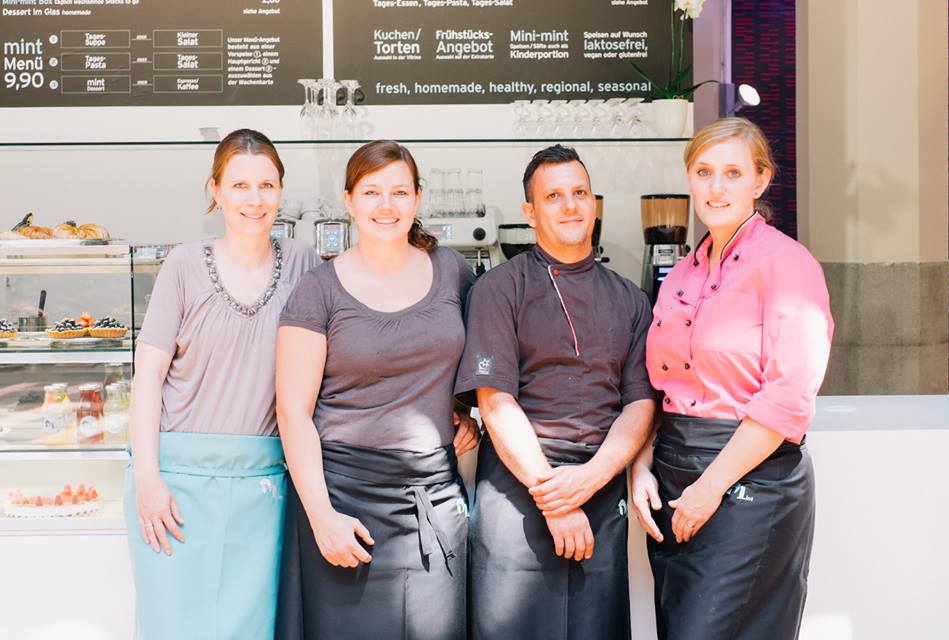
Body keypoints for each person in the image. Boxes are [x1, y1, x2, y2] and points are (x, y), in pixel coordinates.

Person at [632, 117, 834, 640]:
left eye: (731, 173)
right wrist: (642, 467)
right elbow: (661, 385)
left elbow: (789, 398)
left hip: (751, 478)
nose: (715, 188)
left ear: (759, 181)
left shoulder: (788, 264)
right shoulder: (682, 271)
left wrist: (711, 487)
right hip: (675, 473)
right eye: (703, 172)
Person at [274, 140, 480, 640]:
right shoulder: (319, 289)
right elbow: (293, 412)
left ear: (417, 198)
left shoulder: (454, 272)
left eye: (398, 192)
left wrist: (465, 412)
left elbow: (479, 368)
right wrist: (322, 518)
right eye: (371, 192)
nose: (385, 206)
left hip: (431, 498)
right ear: (349, 200)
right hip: (343, 500)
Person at [125, 129, 321, 639]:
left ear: (281, 190)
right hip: (174, 484)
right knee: (174, 627)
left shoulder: (304, 263)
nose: (254, 200)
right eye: (239, 186)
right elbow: (147, 379)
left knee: (251, 627)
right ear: (215, 190)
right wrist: (148, 481)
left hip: (264, 485)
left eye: (266, 185)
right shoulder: (184, 265)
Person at [455, 144, 657, 639]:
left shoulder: (630, 298)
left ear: (594, 203)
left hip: (600, 485)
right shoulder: (499, 289)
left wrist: (592, 478)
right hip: (518, 488)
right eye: (553, 196)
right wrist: (557, 500)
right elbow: (495, 402)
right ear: (530, 212)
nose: (570, 205)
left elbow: (641, 403)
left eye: (579, 193)